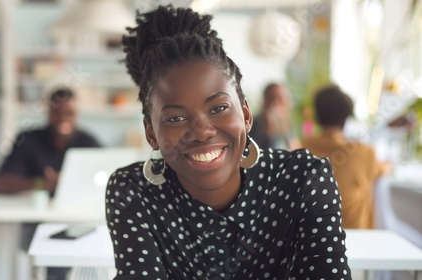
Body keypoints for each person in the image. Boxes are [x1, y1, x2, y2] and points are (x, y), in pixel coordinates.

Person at [105, 5, 351, 279]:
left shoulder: (303, 178)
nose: (201, 131)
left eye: (218, 108)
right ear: (151, 133)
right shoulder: (133, 192)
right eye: (175, 118)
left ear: (246, 115)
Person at [0, 87, 101, 280]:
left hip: (79, 220)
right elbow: (0, 183)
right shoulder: (28, 139)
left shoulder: (89, 142)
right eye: (57, 113)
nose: (63, 118)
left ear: (77, 114)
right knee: (55, 249)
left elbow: (105, 179)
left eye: (69, 113)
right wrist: (42, 183)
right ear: (48, 112)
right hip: (38, 222)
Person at [301, 85, 390, 229]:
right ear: (346, 118)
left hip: (313, 238)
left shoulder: (302, 147)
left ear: (317, 116)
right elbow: (382, 169)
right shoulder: (363, 153)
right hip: (355, 239)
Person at [248, 83, 300, 150]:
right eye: (271, 98)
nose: (275, 103)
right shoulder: (252, 125)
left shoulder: (288, 128)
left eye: (280, 99)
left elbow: (295, 150)